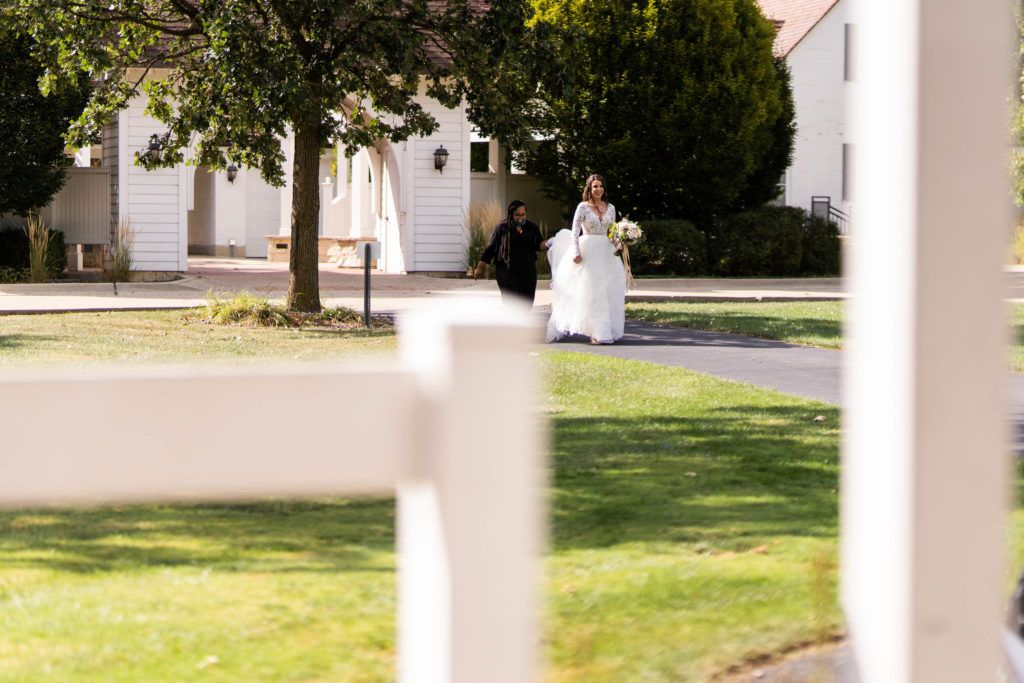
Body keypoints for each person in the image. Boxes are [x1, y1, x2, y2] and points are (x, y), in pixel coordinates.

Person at [545, 174, 626, 344]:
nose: (598, 189)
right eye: (595, 186)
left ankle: (603, 330)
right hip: (588, 250)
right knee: (592, 291)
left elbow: (611, 232)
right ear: (589, 189)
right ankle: (595, 331)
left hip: (606, 251)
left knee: (607, 291)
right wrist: (576, 251)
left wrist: (621, 242)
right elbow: (575, 231)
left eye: (601, 186)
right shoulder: (583, 207)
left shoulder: (610, 208)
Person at [474, 199, 549, 305]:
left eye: (523, 215)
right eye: (517, 215)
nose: (520, 218)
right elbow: (490, 248)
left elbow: (539, 245)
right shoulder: (502, 227)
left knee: (527, 301)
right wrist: (480, 267)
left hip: (527, 271)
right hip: (506, 271)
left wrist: (550, 243)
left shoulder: (531, 227)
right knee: (511, 303)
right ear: (511, 214)